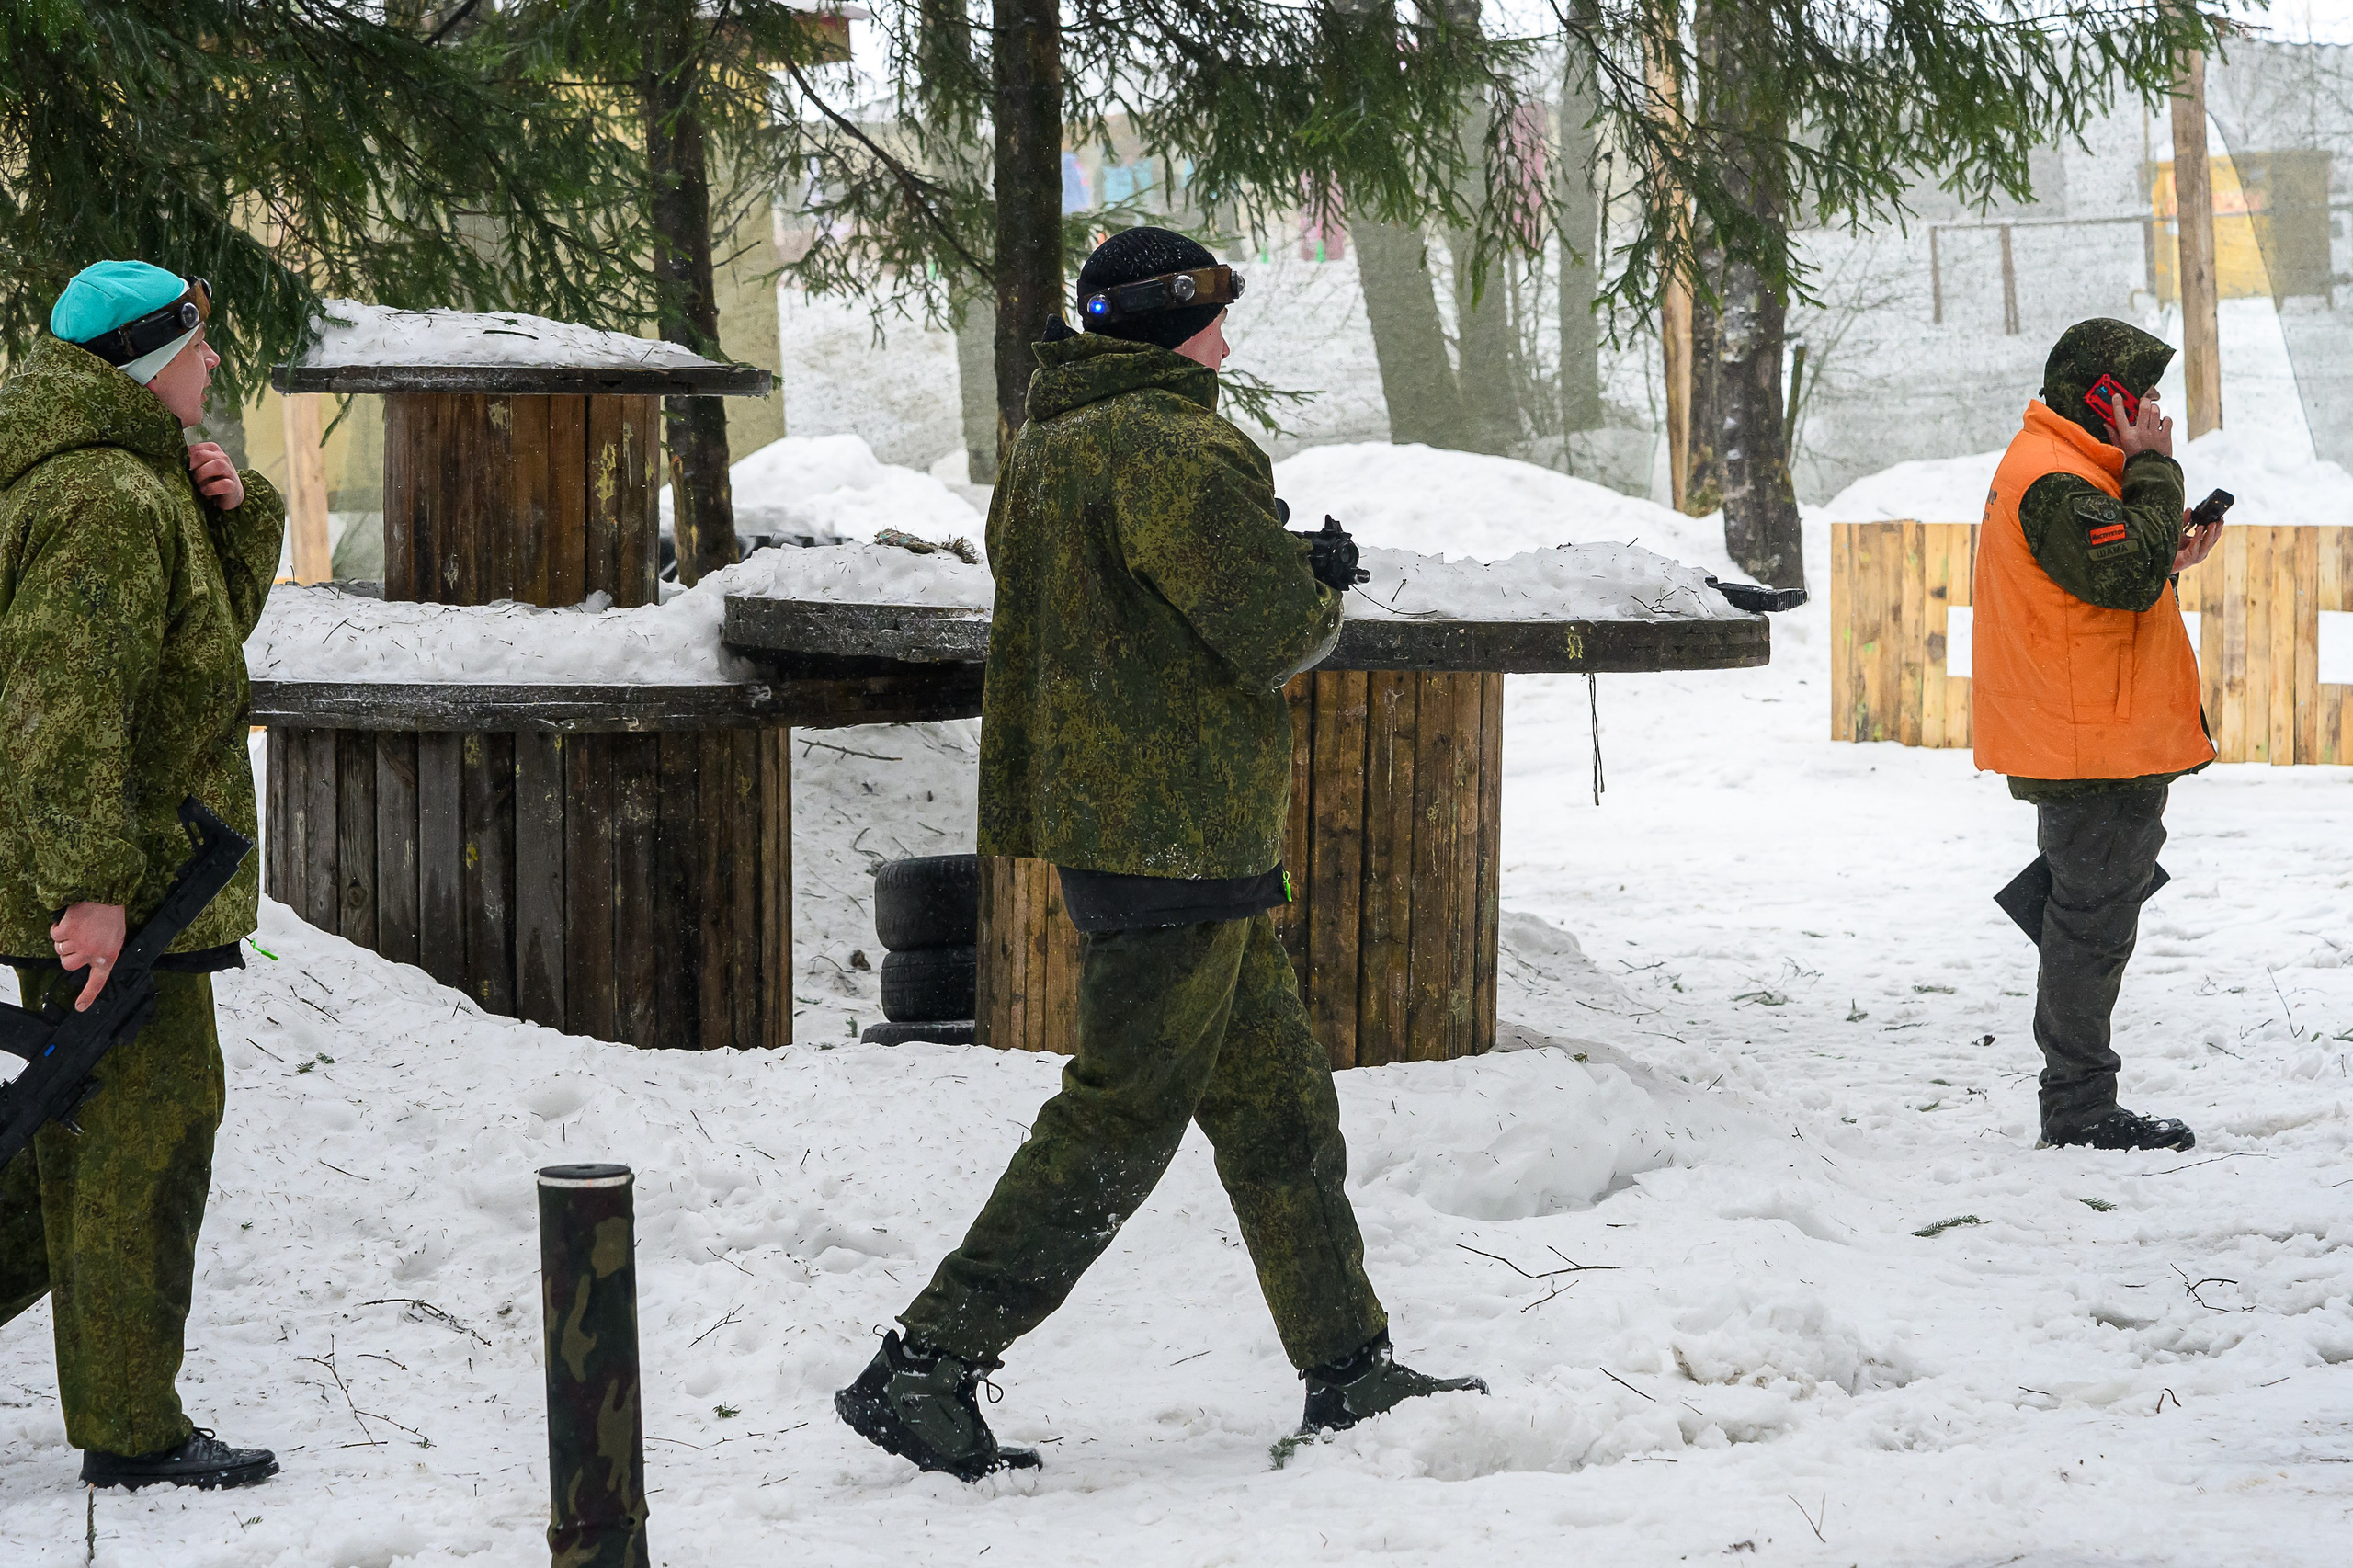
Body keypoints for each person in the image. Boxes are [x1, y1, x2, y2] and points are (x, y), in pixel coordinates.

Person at [835, 227, 1484, 1481]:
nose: (1226, 344)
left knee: (1281, 1104)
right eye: (1213, 320)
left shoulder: (1052, 443)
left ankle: (1349, 1370)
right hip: (1179, 832)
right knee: (1122, 1115)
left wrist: (1278, 561)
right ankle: (926, 1361)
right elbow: (1266, 631)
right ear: (1169, 324)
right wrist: (1319, 584)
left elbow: (1125, 597)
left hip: (1130, 823)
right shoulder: (1182, 445)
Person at [0, 261, 284, 1490]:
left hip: (134, 873)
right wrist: (90, 886)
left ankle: (126, 1407)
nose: (213, 365)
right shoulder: (102, 497)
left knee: (67, 1132)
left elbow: (193, 656)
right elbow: (64, 708)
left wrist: (237, 511)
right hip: (120, 888)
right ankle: (130, 1428)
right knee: (140, 1135)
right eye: (197, 346)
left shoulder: (132, 479)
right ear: (141, 357)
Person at [1973, 318, 2222, 1153]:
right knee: (2093, 916)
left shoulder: (2073, 470)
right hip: (2087, 744)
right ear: (2103, 398)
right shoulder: (2052, 479)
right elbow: (2116, 578)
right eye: (2144, 394)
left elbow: (2110, 573)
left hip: (2097, 736)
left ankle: (2076, 1081)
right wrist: (2154, 468)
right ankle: (2079, 1107)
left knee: (2096, 899)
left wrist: (2167, 553)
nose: (2157, 409)